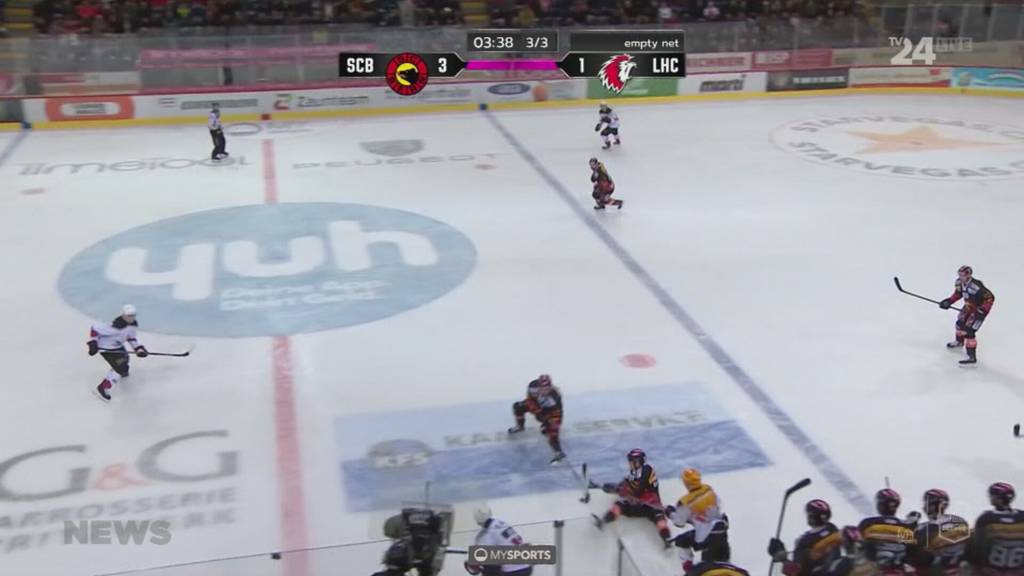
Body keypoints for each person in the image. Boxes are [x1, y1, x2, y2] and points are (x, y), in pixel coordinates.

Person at [592, 449, 671, 545]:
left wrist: (620, 490)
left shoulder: (646, 470)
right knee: (658, 516)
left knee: (658, 517)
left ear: (638, 461)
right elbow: (626, 484)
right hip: (645, 506)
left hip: (648, 505)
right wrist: (613, 488)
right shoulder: (636, 472)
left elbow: (637, 491)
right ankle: (603, 521)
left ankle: (667, 539)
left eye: (631, 461)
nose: (629, 464)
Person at [669, 468, 731, 572]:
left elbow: (679, 522)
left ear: (685, 483)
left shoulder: (685, 502)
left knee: (681, 541)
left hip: (706, 539)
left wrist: (670, 512)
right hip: (721, 532)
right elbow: (718, 505)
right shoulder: (708, 489)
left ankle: (689, 570)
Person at [87, 304, 148, 401]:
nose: (132, 318)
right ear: (123, 315)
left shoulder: (132, 326)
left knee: (125, 358)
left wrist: (138, 348)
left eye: (133, 315)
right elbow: (94, 329)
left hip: (118, 347)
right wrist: (93, 343)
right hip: (107, 349)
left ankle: (122, 371)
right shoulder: (113, 327)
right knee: (119, 366)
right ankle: (103, 387)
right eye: (129, 316)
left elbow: (131, 338)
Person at [767, 499, 841, 576]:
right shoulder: (832, 532)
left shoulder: (808, 541)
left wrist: (782, 558)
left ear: (811, 517)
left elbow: (798, 569)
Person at [939, 265, 994, 365]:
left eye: (962, 275)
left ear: (968, 275)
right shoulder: (959, 283)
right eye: (959, 274)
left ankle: (971, 356)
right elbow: (958, 294)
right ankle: (959, 341)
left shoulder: (976, 286)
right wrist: (949, 301)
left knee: (969, 331)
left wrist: (983, 310)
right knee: (959, 324)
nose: (960, 277)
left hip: (978, 310)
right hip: (968, 307)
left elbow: (990, 298)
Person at [507, 374, 565, 464]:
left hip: (551, 413)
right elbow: (529, 398)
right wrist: (534, 407)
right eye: (543, 387)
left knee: (551, 431)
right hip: (536, 406)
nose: (545, 390)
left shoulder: (554, 397)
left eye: (547, 387)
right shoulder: (533, 387)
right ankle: (520, 426)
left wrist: (548, 423)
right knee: (517, 406)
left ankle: (558, 452)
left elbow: (556, 414)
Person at [857, 489, 917, 575]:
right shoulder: (906, 526)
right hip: (901, 569)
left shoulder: (867, 523)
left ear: (880, 504)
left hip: (876, 569)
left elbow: (858, 545)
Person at [969, 482, 1024, 574]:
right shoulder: (1022, 517)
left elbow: (976, 547)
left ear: (997, 497)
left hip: (992, 570)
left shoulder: (987, 518)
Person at [912, 488, 970, 575]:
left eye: (926, 503)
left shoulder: (924, 527)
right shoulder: (960, 521)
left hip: (937, 570)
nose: (924, 507)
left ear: (932, 505)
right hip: (962, 568)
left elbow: (916, 552)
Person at [464, 505, 532, 576]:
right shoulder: (502, 523)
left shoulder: (485, 534)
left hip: (513, 571)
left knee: (489, 568)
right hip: (526, 566)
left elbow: (477, 560)